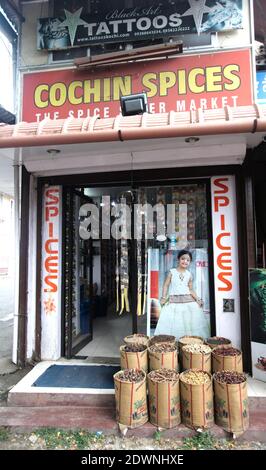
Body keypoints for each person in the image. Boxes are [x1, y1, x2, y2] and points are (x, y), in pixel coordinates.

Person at [154, 249, 210, 339]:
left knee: (188, 324)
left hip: (188, 301)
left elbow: (191, 289)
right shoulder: (172, 272)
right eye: (183, 259)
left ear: (190, 262)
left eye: (188, 260)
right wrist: (163, 297)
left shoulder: (189, 274)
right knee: (176, 324)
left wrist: (198, 299)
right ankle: (174, 344)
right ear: (178, 260)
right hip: (174, 302)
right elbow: (165, 285)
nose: (185, 261)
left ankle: (187, 344)